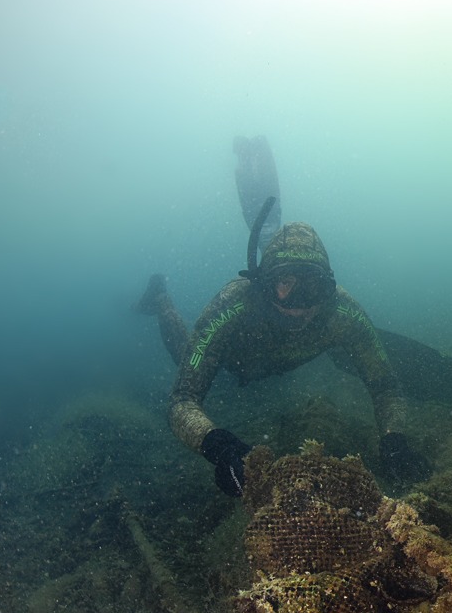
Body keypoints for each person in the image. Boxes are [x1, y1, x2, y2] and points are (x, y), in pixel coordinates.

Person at [137, 138, 430, 497]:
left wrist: (393, 439)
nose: (300, 303)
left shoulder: (342, 311)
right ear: (263, 283)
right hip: (234, 361)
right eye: (286, 284)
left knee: (269, 235)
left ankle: (254, 162)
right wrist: (217, 445)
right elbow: (183, 399)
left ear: (329, 288)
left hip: (275, 364)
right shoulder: (235, 304)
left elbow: (386, 386)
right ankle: (160, 299)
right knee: (183, 353)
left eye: (313, 288)